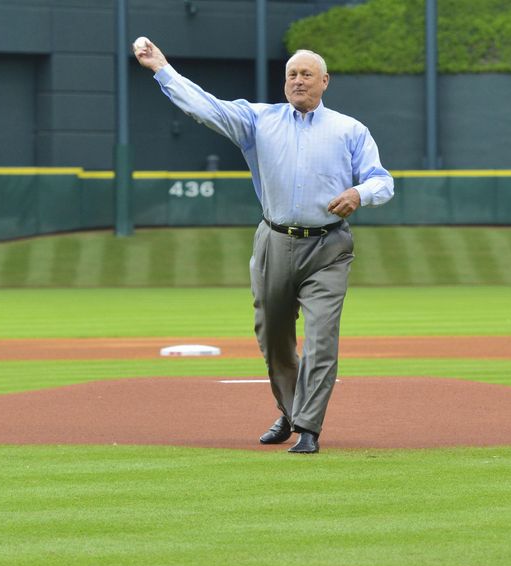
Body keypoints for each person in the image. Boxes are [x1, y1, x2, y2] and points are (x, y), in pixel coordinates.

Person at [134, 41, 394, 454]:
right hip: (274, 240)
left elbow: (383, 180)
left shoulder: (349, 130)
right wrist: (161, 67)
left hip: (328, 246)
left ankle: (308, 427)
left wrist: (360, 193)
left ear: (324, 82)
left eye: (307, 74)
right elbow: (206, 107)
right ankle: (291, 412)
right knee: (272, 336)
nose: (298, 80)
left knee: (321, 337)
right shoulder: (259, 120)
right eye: (292, 74)